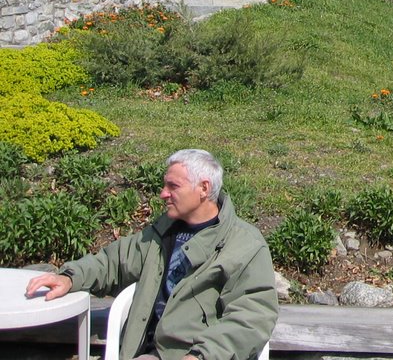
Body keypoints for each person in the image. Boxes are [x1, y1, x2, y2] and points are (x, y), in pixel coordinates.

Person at [26, 149, 278, 360]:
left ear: (203, 188)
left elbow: (252, 316)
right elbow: (112, 262)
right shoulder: (161, 233)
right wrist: (69, 277)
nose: (163, 193)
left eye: (173, 186)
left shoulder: (245, 245)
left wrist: (201, 356)